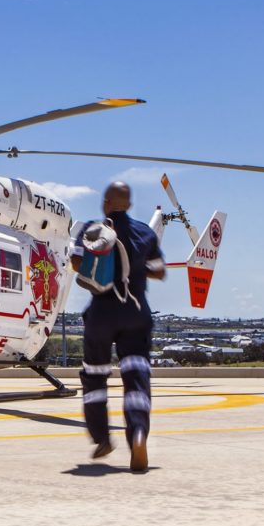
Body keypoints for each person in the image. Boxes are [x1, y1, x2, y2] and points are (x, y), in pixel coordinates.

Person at [71, 182, 165, 472]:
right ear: (130, 204)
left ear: (106, 203)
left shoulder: (91, 229)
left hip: (101, 314)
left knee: (95, 377)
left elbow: (76, 263)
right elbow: (159, 270)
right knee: (136, 377)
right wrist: (136, 268)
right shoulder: (146, 233)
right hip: (136, 313)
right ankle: (138, 434)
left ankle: (101, 437)